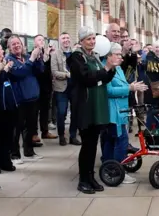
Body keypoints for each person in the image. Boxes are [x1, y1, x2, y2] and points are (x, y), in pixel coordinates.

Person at [68, 26, 118, 194]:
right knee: (87, 145)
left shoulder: (95, 57)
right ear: (81, 41)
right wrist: (105, 69)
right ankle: (83, 179)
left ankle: (90, 176)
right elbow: (87, 78)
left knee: (93, 144)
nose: (92, 42)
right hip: (85, 106)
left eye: (93, 38)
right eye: (88, 39)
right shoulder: (76, 57)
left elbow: (104, 79)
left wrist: (111, 67)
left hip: (96, 106)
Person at [100, 43, 148, 184]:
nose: (121, 57)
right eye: (118, 55)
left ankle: (108, 168)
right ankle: (118, 170)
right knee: (121, 141)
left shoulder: (118, 68)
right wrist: (130, 87)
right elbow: (108, 91)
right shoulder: (105, 69)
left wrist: (131, 86)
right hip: (112, 111)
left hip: (120, 110)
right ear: (109, 56)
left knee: (111, 140)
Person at [6, 36, 45, 163]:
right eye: (13, 44)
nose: (17, 46)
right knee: (17, 128)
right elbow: (20, 73)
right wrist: (32, 59)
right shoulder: (9, 60)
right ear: (9, 48)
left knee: (30, 127)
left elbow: (40, 71)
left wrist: (38, 59)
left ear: (22, 45)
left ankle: (29, 152)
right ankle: (15, 155)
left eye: (18, 43)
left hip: (32, 97)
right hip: (19, 100)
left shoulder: (27, 57)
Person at [51, 32, 80, 146]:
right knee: (61, 113)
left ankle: (73, 136)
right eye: (63, 38)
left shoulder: (76, 54)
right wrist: (67, 75)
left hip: (75, 88)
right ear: (59, 40)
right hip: (61, 88)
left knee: (75, 113)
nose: (66, 40)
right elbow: (54, 72)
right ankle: (62, 136)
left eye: (67, 37)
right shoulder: (55, 54)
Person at [0, 42, 16, 176]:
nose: (3, 51)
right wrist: (3, 70)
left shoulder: (4, 62)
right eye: (1, 49)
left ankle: (5, 161)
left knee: (7, 135)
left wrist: (6, 69)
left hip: (7, 105)